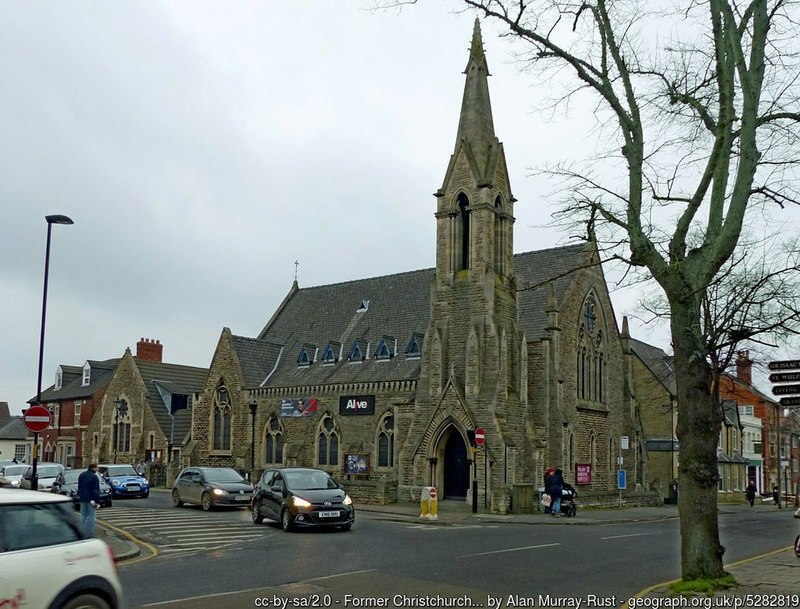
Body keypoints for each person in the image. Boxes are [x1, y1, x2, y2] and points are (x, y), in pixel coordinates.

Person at [78, 462, 101, 536]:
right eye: (97, 467)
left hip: (83, 498)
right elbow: (95, 490)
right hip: (91, 499)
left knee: (83, 515)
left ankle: (80, 530)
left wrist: (80, 495)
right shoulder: (94, 477)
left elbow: (79, 487)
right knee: (92, 516)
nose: (98, 469)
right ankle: (89, 532)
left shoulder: (82, 475)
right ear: (93, 468)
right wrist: (97, 501)